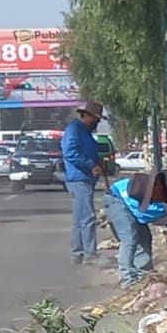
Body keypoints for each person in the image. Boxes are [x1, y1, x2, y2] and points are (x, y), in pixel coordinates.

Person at [103, 175, 167, 287]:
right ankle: (128, 280)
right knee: (130, 239)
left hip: (129, 202)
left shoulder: (161, 203)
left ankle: (144, 276)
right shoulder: (156, 208)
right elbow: (141, 216)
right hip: (116, 199)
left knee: (145, 237)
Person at [62, 101, 105, 265]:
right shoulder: (74, 130)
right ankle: (89, 254)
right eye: (95, 119)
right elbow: (70, 153)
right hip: (79, 178)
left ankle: (79, 253)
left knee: (80, 218)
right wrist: (90, 164)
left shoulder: (84, 132)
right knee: (87, 217)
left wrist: (97, 160)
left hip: (85, 178)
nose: (97, 123)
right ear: (86, 116)